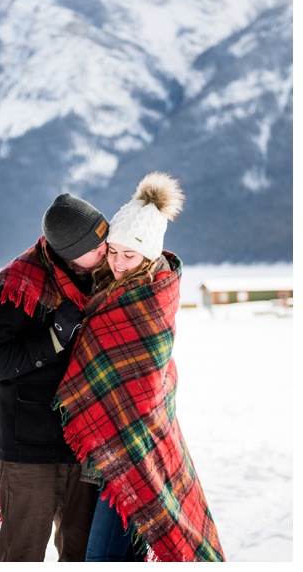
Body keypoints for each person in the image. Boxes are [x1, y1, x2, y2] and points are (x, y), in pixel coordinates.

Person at [53, 171, 225, 562]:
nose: (117, 262)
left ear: (148, 255)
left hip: (135, 450)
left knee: (102, 558)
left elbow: (144, 386)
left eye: (129, 255)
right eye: (113, 251)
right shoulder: (108, 289)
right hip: (105, 454)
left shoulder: (151, 298)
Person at [0, 193, 109, 561]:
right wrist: (53, 339)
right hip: (30, 448)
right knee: (23, 555)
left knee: (82, 555)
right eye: (97, 245)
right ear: (70, 250)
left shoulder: (102, 279)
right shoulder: (15, 285)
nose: (106, 249)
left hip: (85, 444)